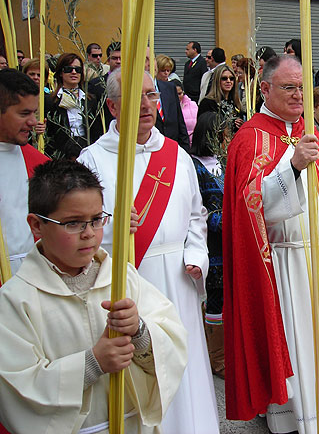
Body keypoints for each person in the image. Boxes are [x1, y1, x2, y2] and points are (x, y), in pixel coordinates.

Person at [223, 55, 319, 432]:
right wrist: (293, 167)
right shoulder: (250, 138)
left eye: (302, 86)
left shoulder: (308, 132)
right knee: (288, 344)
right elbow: (250, 206)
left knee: (315, 347)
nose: (298, 94)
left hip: (317, 260)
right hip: (280, 265)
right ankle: (285, 418)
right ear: (264, 89)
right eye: (289, 87)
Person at [78, 68, 219, 434]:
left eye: (152, 96)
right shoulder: (92, 161)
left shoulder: (177, 155)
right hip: (129, 282)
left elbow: (196, 216)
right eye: (135, 97)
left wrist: (195, 257)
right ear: (111, 106)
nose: (146, 105)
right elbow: (79, 228)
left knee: (181, 367)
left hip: (178, 280)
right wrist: (109, 226)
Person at [0, 159, 187, 434]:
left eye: (97, 220)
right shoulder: (17, 299)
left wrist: (140, 331)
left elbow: (173, 340)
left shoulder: (122, 277)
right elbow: (16, 386)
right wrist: (92, 364)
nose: (89, 234)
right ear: (36, 225)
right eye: (73, 223)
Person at [0, 69, 49, 277]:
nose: (32, 122)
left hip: (30, 277)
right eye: (24, 113)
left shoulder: (39, 164)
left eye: (34, 113)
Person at [190, 111, 226, 379]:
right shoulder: (193, 165)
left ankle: (225, 351)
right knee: (215, 299)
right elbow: (198, 208)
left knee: (228, 297)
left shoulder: (224, 162)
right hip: (211, 241)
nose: (227, 139)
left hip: (229, 240)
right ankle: (217, 358)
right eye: (223, 134)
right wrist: (225, 220)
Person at [44, 53, 96, 159]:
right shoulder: (51, 101)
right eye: (68, 69)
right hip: (61, 155)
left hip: (87, 152)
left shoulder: (90, 100)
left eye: (78, 69)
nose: (74, 72)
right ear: (60, 73)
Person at [87, 41, 121, 138]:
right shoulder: (95, 85)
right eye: (114, 58)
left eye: (121, 58)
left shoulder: (134, 85)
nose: (118, 61)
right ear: (108, 60)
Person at [198, 64, 245, 130]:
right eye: (224, 78)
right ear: (217, 80)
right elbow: (203, 128)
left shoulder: (236, 103)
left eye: (231, 78)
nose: (228, 81)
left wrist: (241, 125)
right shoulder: (207, 103)